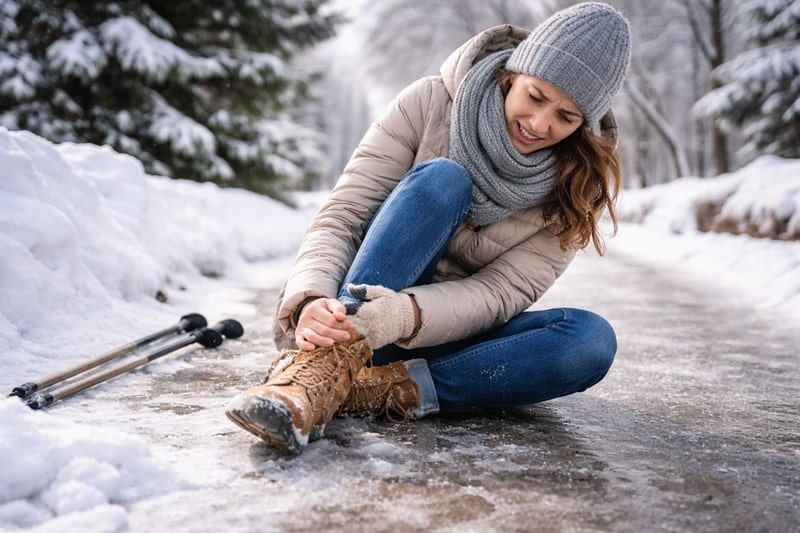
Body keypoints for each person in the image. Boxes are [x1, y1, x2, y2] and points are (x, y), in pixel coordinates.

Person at [226, 2, 632, 455]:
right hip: (349, 316)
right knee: (443, 179)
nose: (539, 124)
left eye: (566, 117)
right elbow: (343, 216)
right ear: (513, 74)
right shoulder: (428, 103)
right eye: (535, 97)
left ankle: (381, 390)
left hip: (446, 341)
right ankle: (319, 371)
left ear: (583, 124)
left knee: (590, 341)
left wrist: (402, 315)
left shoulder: (578, 185)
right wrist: (311, 300)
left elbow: (500, 293)